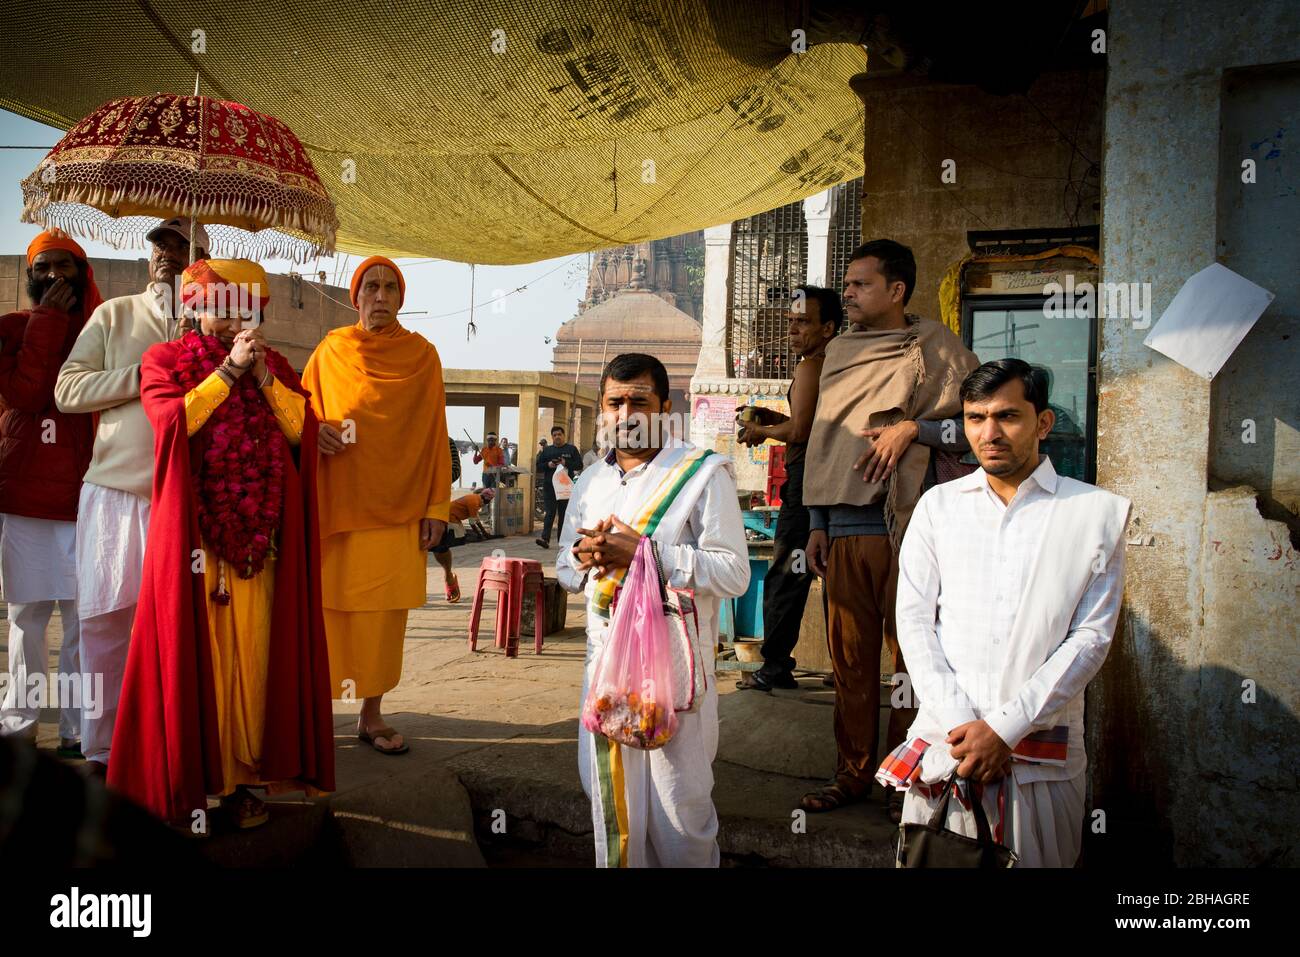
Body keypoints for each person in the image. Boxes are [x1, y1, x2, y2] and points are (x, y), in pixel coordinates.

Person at [107, 260, 334, 829]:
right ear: (194, 306)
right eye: (220, 306)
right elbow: (171, 425)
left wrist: (259, 378)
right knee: (198, 655)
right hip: (195, 542)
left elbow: (300, 430)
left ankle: (246, 780)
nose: (233, 320)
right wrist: (226, 375)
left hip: (263, 545)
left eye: (243, 309)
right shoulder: (164, 361)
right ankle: (192, 781)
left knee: (257, 654)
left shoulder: (276, 366)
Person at [880, 359, 1129, 867]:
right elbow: (914, 621)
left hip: (1040, 761)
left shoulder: (1095, 513)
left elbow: (1091, 638)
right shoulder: (938, 507)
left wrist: (1004, 730)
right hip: (947, 749)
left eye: (1007, 416)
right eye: (975, 418)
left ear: (1043, 423)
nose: (988, 433)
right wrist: (963, 727)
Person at [800, 239, 980, 815]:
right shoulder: (838, 353)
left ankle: (904, 775)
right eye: (847, 284)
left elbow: (975, 430)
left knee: (915, 665)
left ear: (897, 290)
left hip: (915, 535)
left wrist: (915, 432)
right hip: (845, 532)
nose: (846, 294)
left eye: (860, 285)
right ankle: (851, 773)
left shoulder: (936, 348)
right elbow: (824, 443)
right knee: (850, 667)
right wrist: (818, 522)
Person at [558, 353, 749, 867]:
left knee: (679, 806)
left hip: (674, 669)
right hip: (605, 668)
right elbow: (562, 566)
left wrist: (645, 554)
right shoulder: (589, 482)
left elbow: (733, 572)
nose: (626, 413)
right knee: (608, 798)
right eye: (614, 402)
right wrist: (584, 556)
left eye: (638, 401)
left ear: (665, 406)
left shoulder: (702, 475)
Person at [54, 216, 210, 777]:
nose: (168, 254)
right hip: (115, 493)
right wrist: (143, 370)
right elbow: (67, 390)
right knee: (104, 624)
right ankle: (100, 749)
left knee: (176, 627)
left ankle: (167, 746)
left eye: (183, 246)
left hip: (183, 500)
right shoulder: (114, 314)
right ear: (149, 258)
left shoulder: (212, 326)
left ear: (201, 262)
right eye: (160, 245)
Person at [302, 256, 451, 756]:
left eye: (390, 287)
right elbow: (300, 412)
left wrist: (437, 506)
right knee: (328, 612)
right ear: (356, 296)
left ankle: (371, 714)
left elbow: (435, 435)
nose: (381, 296)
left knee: (384, 618)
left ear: (401, 297)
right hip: (338, 503)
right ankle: (316, 716)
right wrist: (314, 430)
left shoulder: (422, 356)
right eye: (371, 287)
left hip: (399, 507)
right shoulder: (330, 352)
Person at [0, 231, 101, 755]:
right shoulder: (14, 329)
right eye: (43, 268)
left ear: (83, 277)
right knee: (27, 621)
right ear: (30, 277)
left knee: (84, 620)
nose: (54, 276)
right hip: (27, 503)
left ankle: (78, 731)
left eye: (65, 266)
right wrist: (49, 322)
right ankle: (18, 728)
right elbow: (27, 394)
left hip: (87, 498)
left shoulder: (100, 332)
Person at [734, 285, 841, 692]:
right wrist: (772, 420)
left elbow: (801, 430)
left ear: (828, 327)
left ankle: (775, 665)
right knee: (830, 575)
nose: (793, 330)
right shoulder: (831, 364)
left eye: (803, 322)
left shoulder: (813, 365)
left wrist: (762, 428)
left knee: (787, 573)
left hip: (806, 484)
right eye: (791, 322)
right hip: (827, 480)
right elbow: (805, 422)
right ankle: (843, 666)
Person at [432, 488, 495, 602]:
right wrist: (482, 535)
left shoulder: (475, 500)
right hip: (448, 517)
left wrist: (484, 534)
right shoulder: (473, 501)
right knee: (454, 537)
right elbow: (472, 522)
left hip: (445, 515)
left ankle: (448, 576)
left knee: (441, 546)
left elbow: (475, 519)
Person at [535, 424, 582, 549]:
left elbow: (579, 465)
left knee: (563, 514)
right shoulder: (547, 450)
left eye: (559, 435)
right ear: (552, 437)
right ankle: (545, 539)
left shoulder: (571, 449)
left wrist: (565, 462)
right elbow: (538, 465)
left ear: (563, 436)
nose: (557, 437)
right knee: (550, 512)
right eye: (554, 435)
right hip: (550, 487)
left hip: (565, 488)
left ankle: (563, 541)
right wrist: (549, 464)